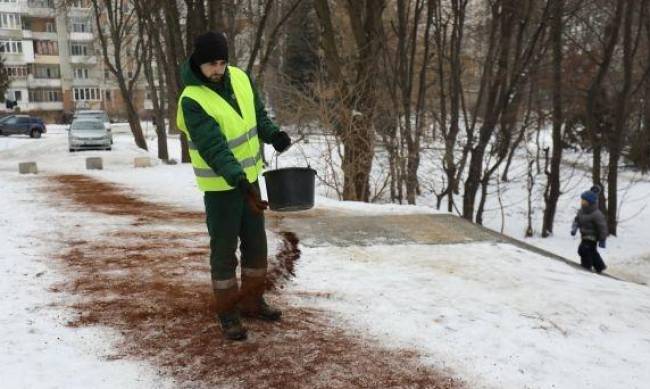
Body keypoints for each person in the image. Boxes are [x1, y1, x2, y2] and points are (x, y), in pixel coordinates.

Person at [176, 31, 292, 341]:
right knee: (224, 250)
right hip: (221, 188)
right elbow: (213, 146)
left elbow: (257, 116)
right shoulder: (192, 99)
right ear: (199, 64)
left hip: (249, 179)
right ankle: (228, 312)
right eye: (211, 64)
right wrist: (236, 177)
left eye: (222, 62)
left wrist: (274, 135)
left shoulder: (239, 78)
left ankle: (252, 302)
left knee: (256, 244)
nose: (218, 69)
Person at [571, 185, 608, 273]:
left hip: (592, 236)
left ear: (590, 203)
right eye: (582, 201)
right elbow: (577, 220)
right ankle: (600, 266)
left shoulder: (596, 214)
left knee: (583, 249)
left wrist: (602, 239)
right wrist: (574, 228)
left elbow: (602, 227)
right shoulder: (581, 211)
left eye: (585, 201)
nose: (582, 203)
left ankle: (586, 266)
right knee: (591, 251)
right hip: (584, 235)